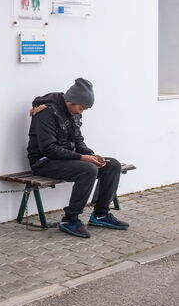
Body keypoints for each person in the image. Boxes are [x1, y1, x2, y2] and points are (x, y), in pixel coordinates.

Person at [26, 77, 128, 238]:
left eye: (85, 109)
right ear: (71, 101)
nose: (82, 112)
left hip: (67, 159)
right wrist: (84, 158)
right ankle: (70, 219)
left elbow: (79, 141)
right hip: (44, 162)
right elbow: (49, 149)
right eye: (81, 108)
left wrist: (92, 155)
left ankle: (100, 215)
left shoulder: (74, 112)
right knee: (87, 169)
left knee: (112, 164)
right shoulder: (46, 112)